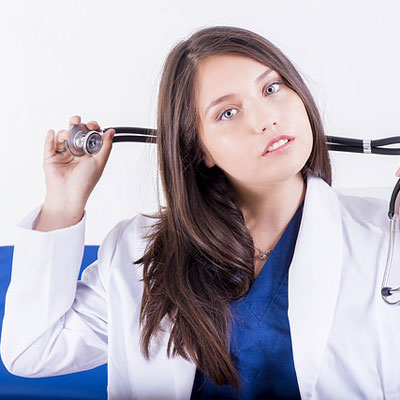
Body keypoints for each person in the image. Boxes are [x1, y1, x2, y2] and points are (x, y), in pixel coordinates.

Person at [1, 25, 400, 400]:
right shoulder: (136, 250)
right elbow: (33, 352)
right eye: (228, 112)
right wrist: (63, 201)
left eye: (272, 88)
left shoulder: (386, 233)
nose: (266, 119)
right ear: (198, 149)